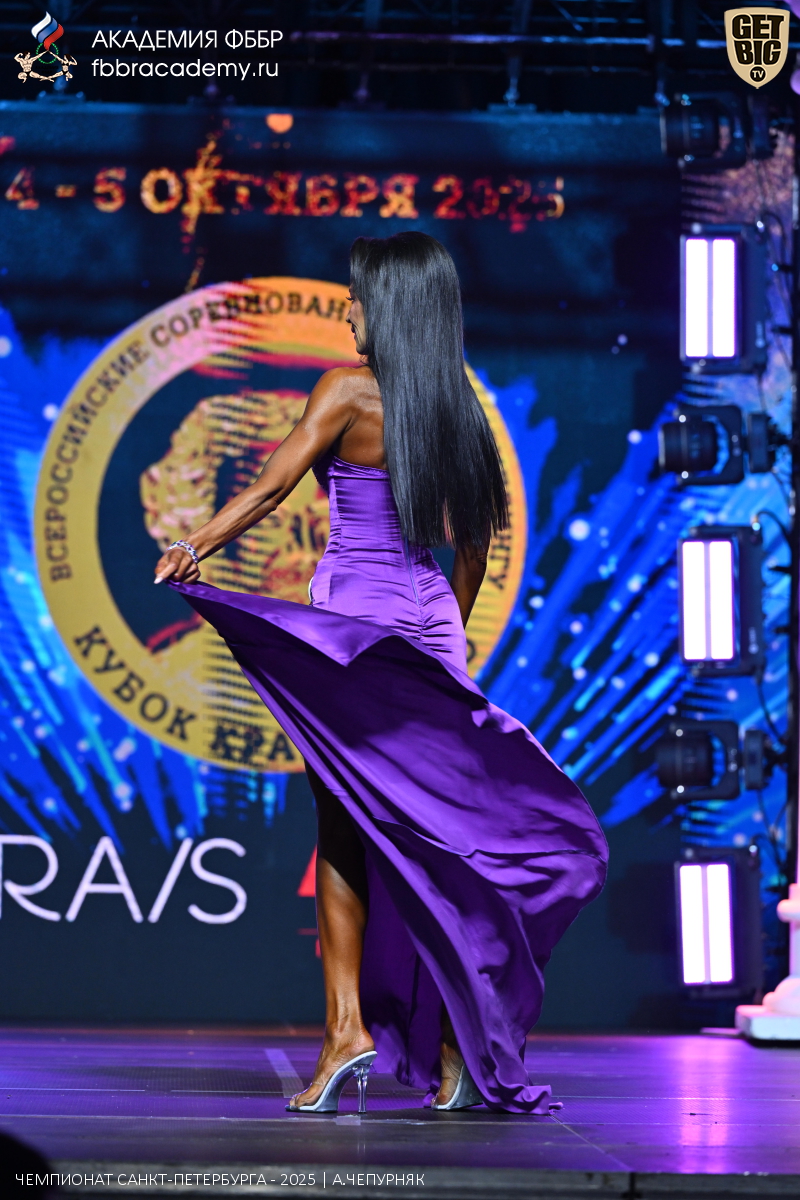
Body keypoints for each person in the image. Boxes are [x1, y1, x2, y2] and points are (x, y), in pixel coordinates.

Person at [154, 232, 608, 1115]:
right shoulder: (459, 409)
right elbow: (471, 552)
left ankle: (345, 1032)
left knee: (343, 828)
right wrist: (441, 654)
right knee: (438, 838)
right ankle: (454, 1047)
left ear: (390, 308)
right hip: (430, 630)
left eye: (357, 297)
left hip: (354, 631)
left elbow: (270, 489)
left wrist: (194, 546)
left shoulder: (346, 391)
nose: (348, 310)